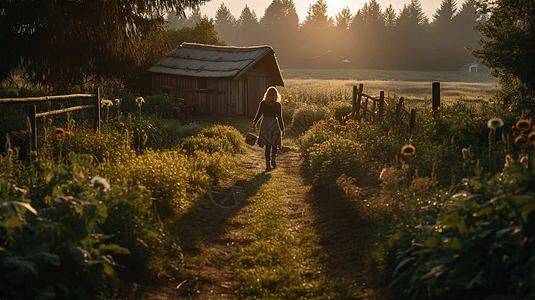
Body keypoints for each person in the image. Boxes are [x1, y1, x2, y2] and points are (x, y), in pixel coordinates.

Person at [252, 86, 285, 171]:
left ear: (266, 94)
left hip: (265, 124)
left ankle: (267, 164)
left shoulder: (263, 103)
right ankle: (273, 159)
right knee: (274, 142)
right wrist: (282, 129)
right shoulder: (278, 105)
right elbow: (280, 118)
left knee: (267, 144)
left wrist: (254, 123)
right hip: (274, 123)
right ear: (276, 95)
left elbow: (259, 114)